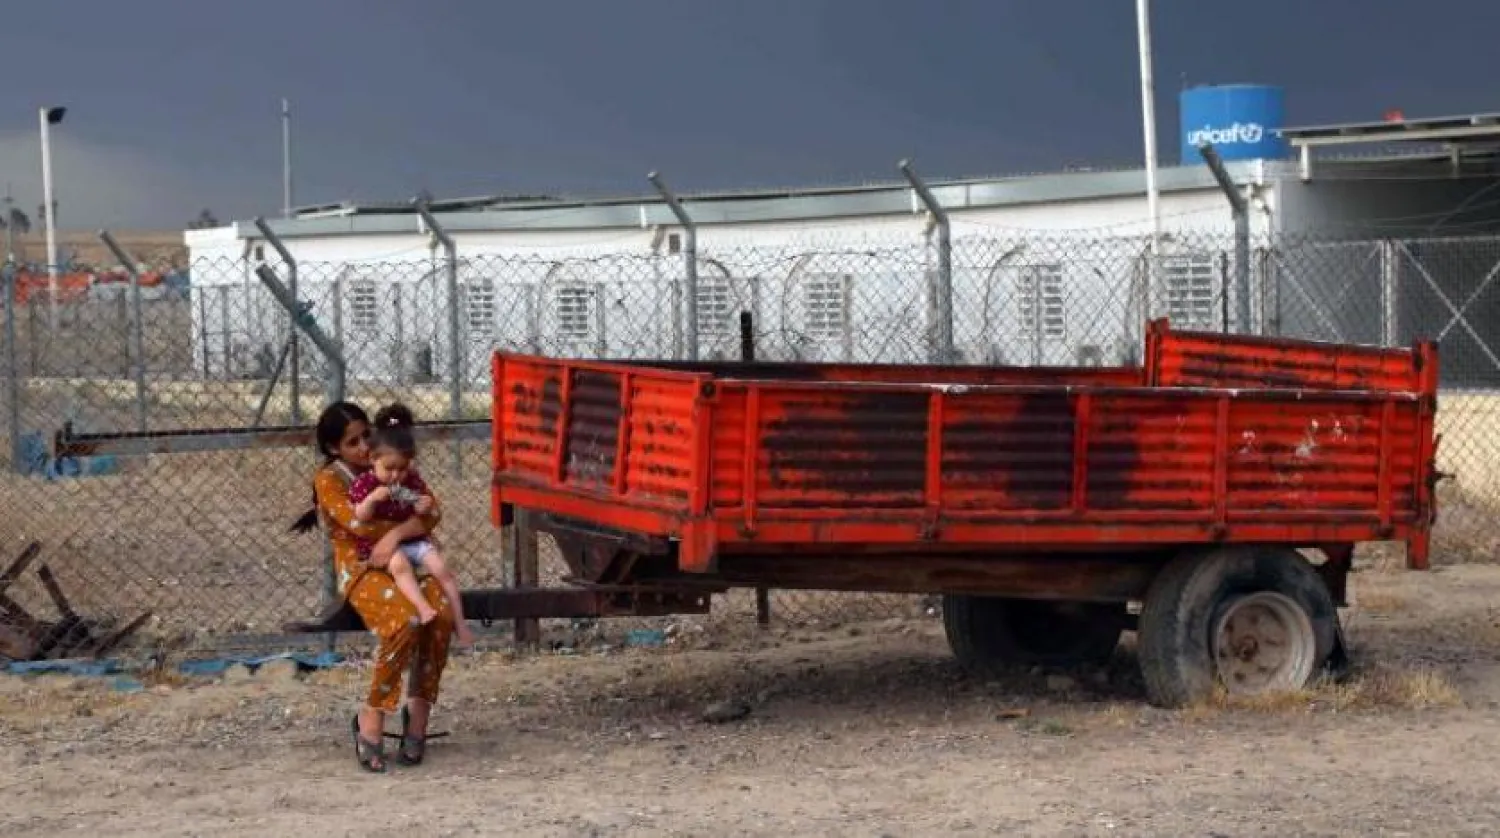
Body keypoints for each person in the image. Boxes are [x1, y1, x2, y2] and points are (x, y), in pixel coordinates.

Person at [291, 401, 455, 774]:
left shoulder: (390, 462)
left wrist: (398, 533)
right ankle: (372, 716)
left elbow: (433, 511)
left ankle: (418, 716)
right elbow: (357, 525)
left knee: (440, 613)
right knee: (405, 620)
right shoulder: (330, 480)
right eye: (353, 442)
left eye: (367, 435)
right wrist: (410, 528)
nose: (365, 446)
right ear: (335, 449)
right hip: (361, 568)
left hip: (404, 563)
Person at [348, 402, 476, 647]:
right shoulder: (365, 484)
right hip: (382, 547)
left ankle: (461, 624)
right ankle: (423, 608)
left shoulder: (412, 481)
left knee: (443, 571)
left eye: (402, 469)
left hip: (414, 540)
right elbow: (360, 516)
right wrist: (373, 499)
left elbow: (429, 511)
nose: (396, 476)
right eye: (389, 469)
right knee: (400, 566)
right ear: (373, 459)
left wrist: (423, 505)